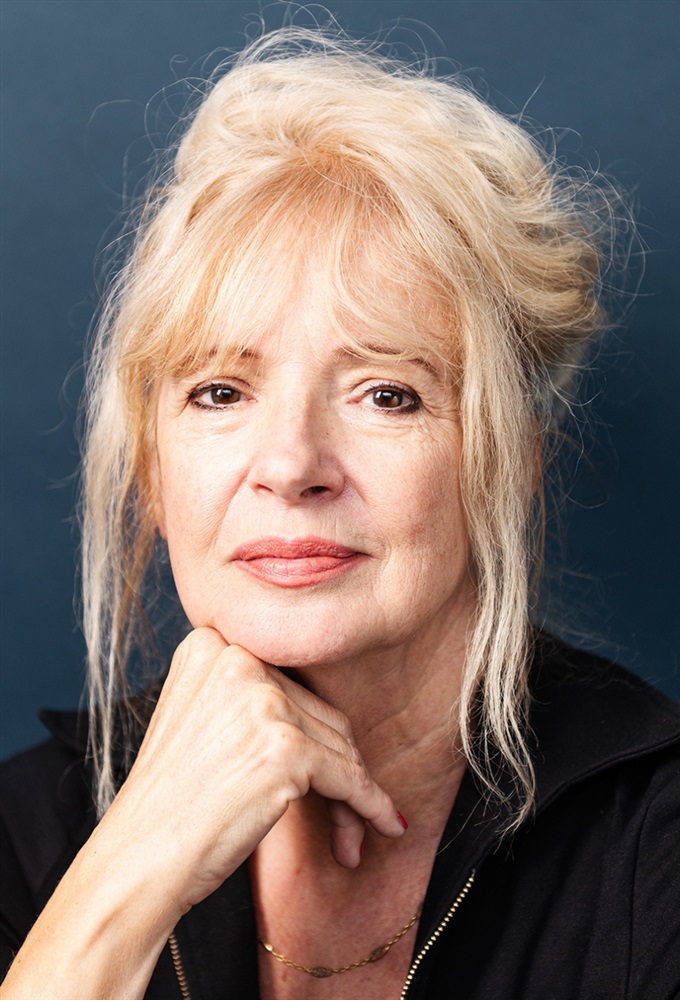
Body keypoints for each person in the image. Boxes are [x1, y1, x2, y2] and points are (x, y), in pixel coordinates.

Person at [1, 26, 679, 1000]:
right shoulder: (21, 834)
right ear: (152, 470)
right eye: (220, 392)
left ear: (509, 466)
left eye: (385, 394)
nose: (290, 466)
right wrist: (128, 876)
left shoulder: (651, 845)